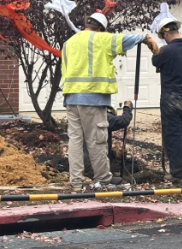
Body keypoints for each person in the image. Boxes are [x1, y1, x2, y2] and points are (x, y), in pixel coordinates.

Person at [61, 12, 156, 190]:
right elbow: (124, 40)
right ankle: (103, 179)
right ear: (100, 29)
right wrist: (145, 37)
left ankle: (76, 182)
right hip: (92, 98)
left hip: (71, 99)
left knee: (75, 141)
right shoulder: (100, 38)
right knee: (96, 140)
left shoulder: (69, 43)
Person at [150, 17, 182, 183]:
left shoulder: (167, 51)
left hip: (171, 100)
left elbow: (155, 61)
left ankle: (178, 172)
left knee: (173, 135)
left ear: (165, 33)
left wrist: (155, 48)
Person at [82, 100, 133, 179]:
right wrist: (127, 108)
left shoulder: (93, 118)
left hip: (86, 160)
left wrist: (115, 155)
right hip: (92, 165)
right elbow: (122, 121)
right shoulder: (105, 117)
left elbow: (99, 145)